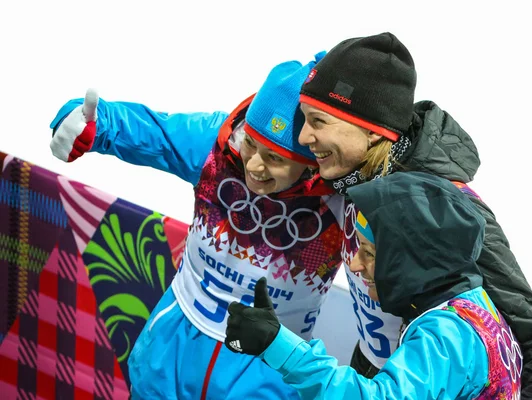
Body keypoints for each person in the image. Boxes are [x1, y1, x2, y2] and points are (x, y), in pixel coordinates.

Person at [48, 53, 346, 399]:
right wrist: (91, 122)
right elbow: (150, 130)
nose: (254, 165)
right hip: (173, 347)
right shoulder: (218, 145)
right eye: (250, 143)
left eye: (275, 158)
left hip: (267, 369)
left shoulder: (343, 194)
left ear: (311, 163)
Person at [297, 32, 532, 399]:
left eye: (318, 121)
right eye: (303, 119)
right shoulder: (349, 177)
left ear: (372, 131)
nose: (303, 137)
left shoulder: (439, 209)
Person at [225, 171, 523, 399]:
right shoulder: (474, 304)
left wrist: (280, 347)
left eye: (368, 253)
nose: (354, 265)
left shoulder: (446, 335)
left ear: (410, 262)